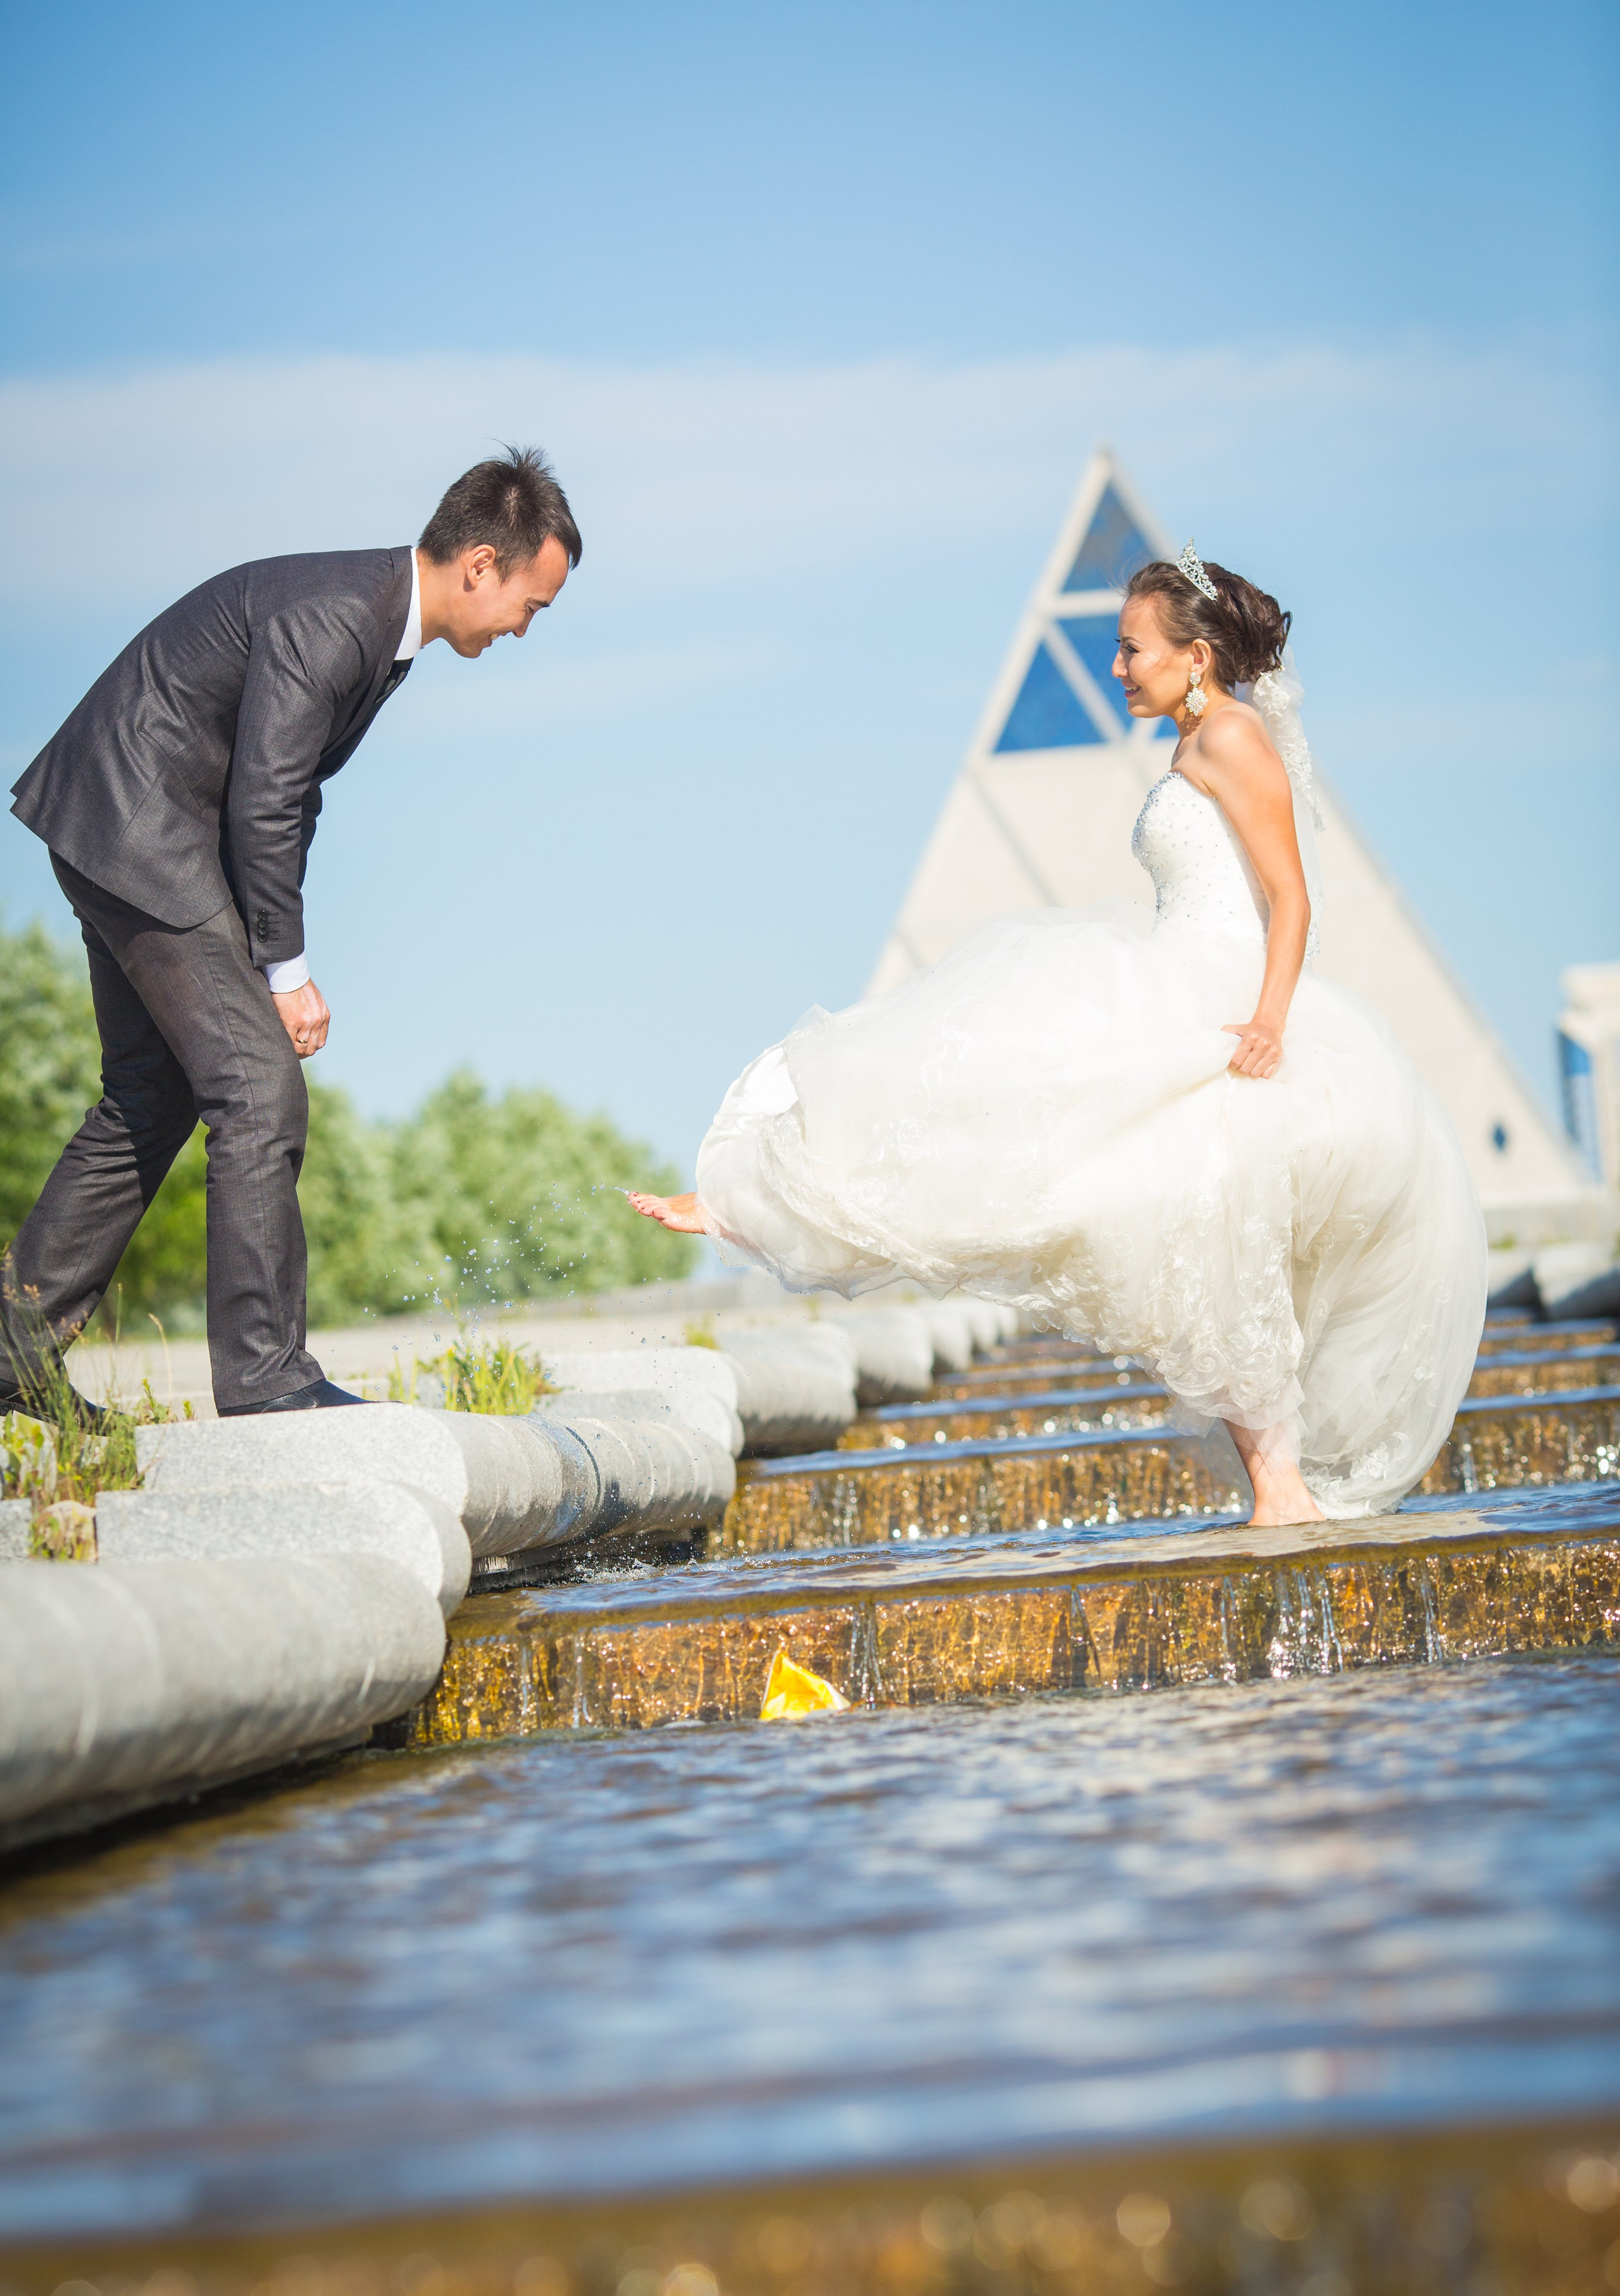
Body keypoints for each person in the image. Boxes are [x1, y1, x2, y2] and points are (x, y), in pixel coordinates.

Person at [632, 544, 1487, 1524]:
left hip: (1223, 1008)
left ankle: (1280, 1488)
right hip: (1180, 984)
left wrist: (1267, 1023)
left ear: (1196, 656)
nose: (1117, 669)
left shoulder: (1233, 738)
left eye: (1132, 650)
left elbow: (1291, 901)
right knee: (1052, 1149)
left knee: (1154, 1209)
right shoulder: (1196, 740)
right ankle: (758, 1201)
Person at [3, 446, 580, 1418]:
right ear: (482, 564)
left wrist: (269, 954)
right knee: (259, 1091)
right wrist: (284, 970)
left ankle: (13, 1354)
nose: (526, 629)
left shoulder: (378, 630)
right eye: (533, 604)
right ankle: (269, 1384)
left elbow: (287, 797)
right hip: (141, 823)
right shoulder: (341, 616)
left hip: (119, 822)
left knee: (152, 1096)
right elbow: (265, 796)